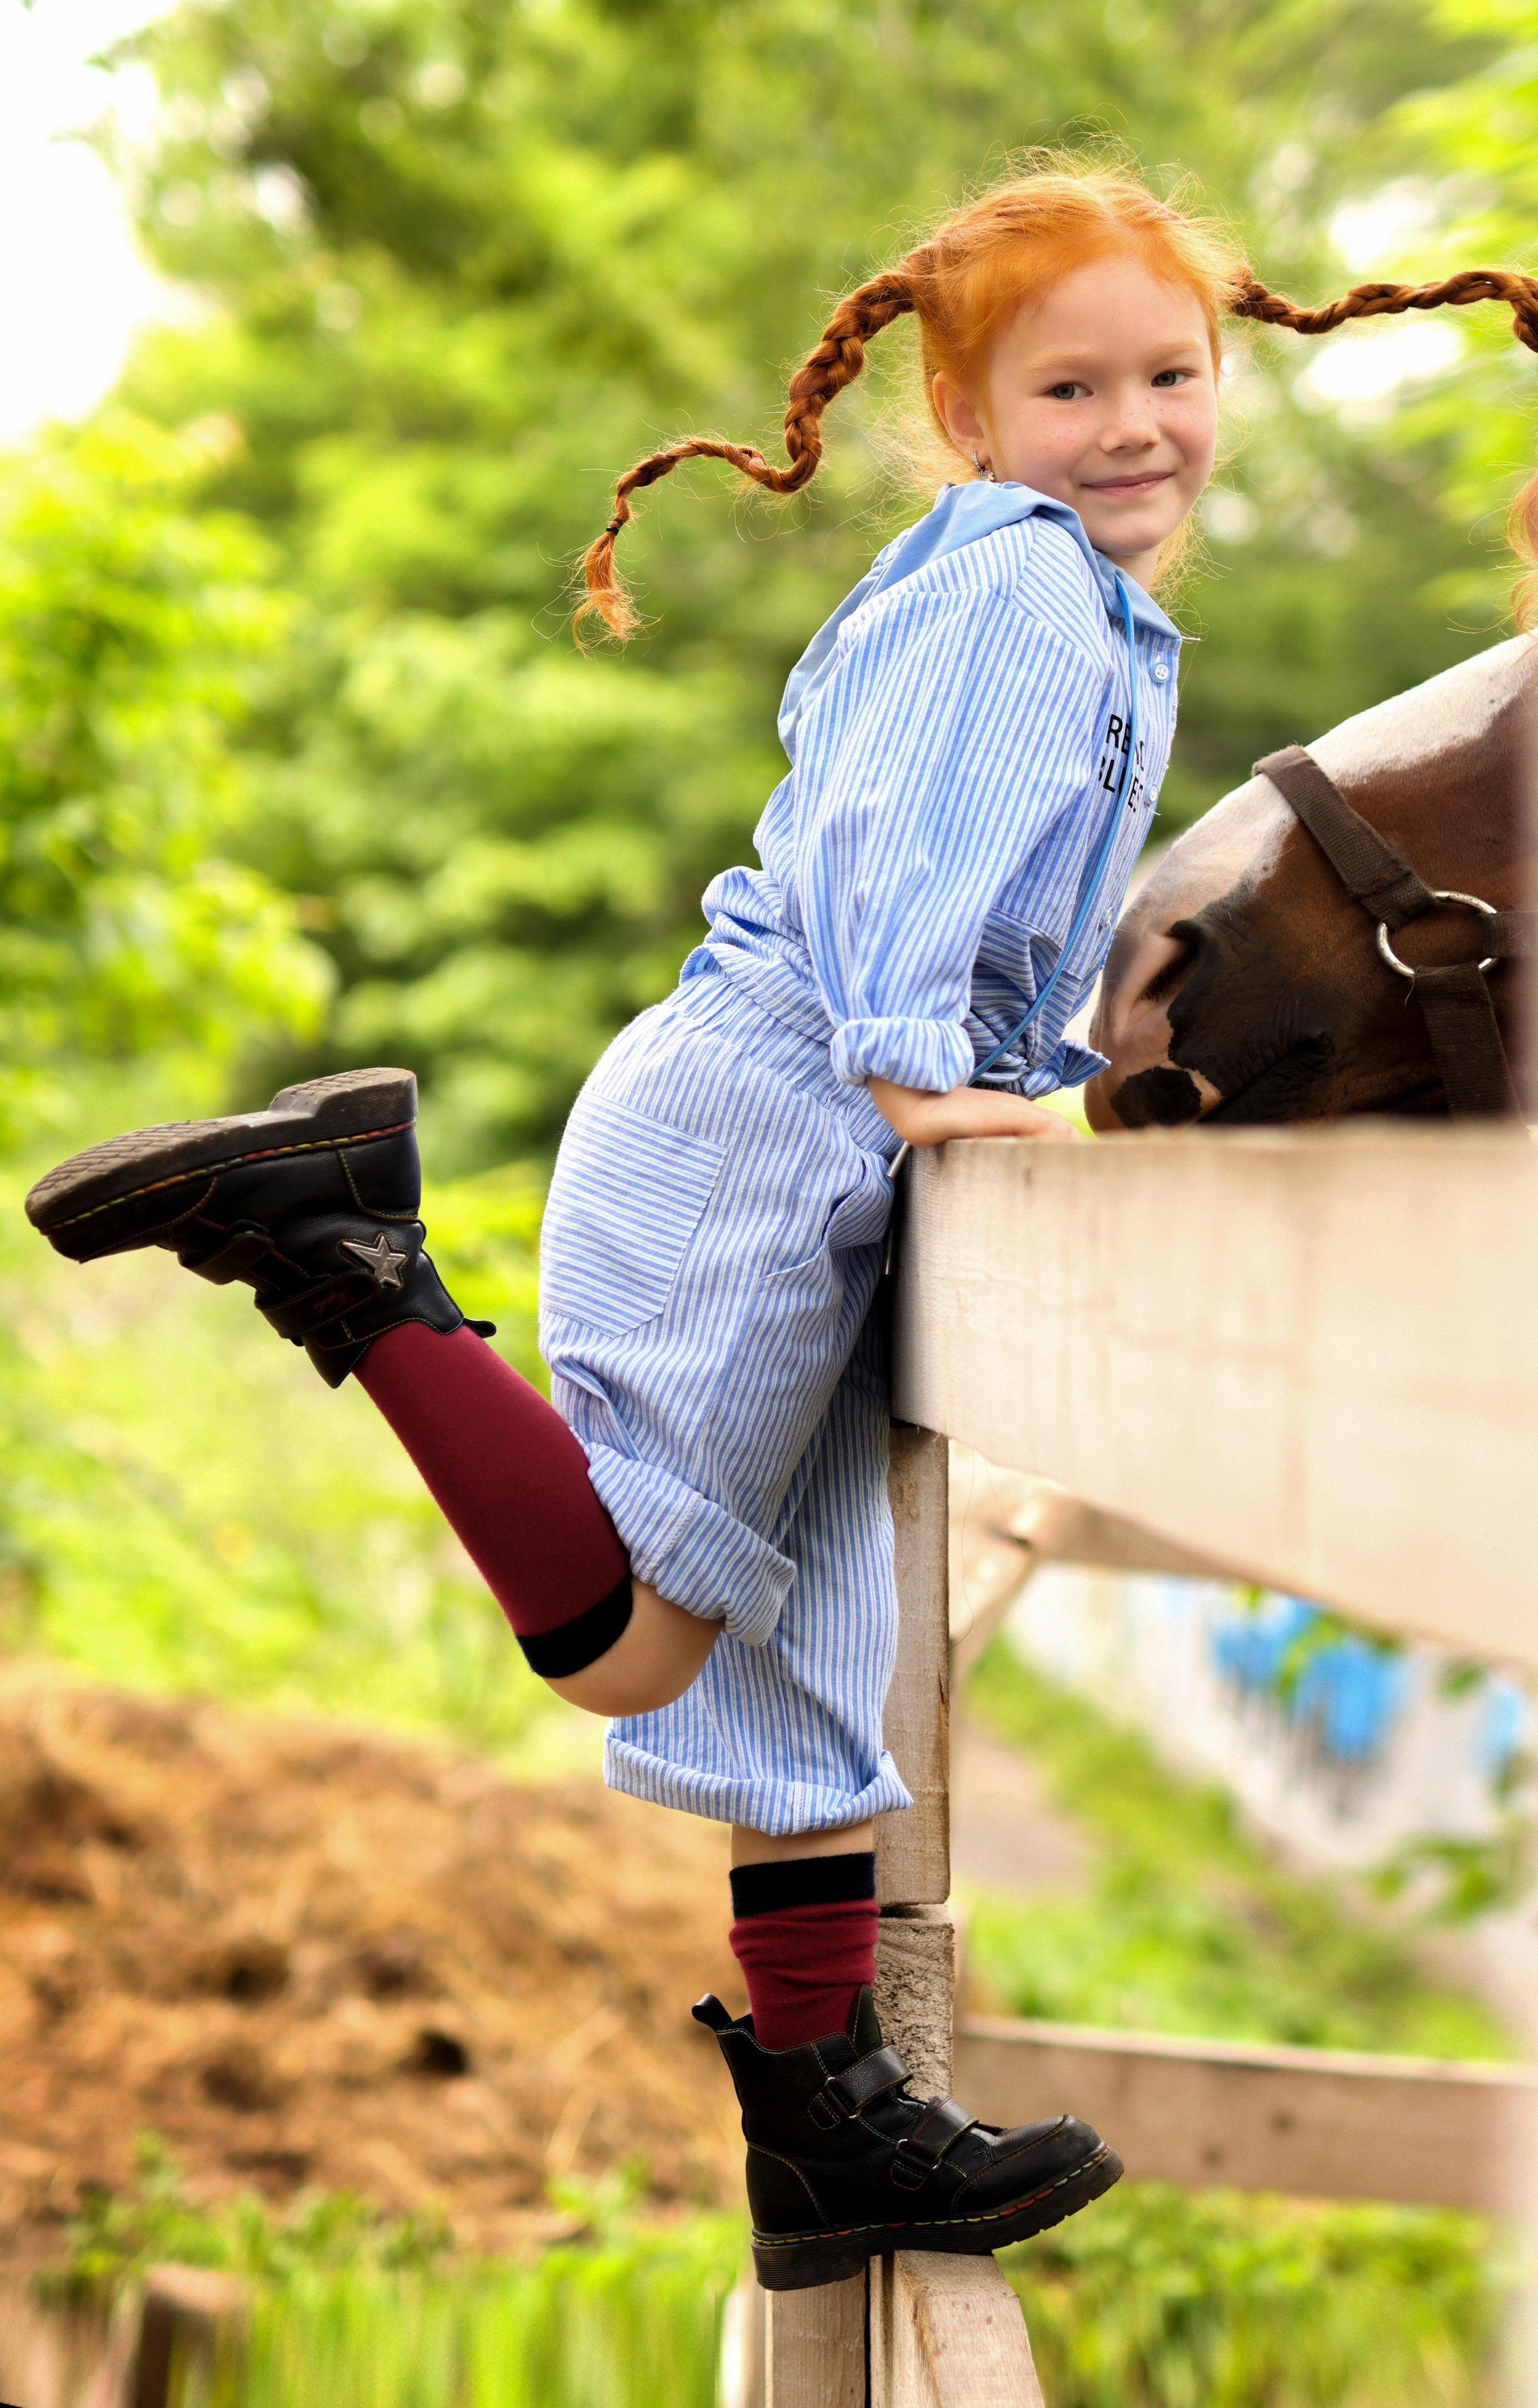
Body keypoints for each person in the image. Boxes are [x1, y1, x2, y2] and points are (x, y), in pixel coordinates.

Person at [32, 160, 1519, 2292]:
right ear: (969, 415)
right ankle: (338, 1255)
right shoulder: (1021, 590)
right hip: (780, 1125)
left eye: (1171, 375)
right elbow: (901, 858)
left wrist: (998, 1084)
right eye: (1069, 385)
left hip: (829, 1145)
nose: (1134, 426)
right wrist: (937, 1076)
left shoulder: (1070, 601)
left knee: (808, 1681)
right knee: (635, 1635)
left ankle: (827, 2131)